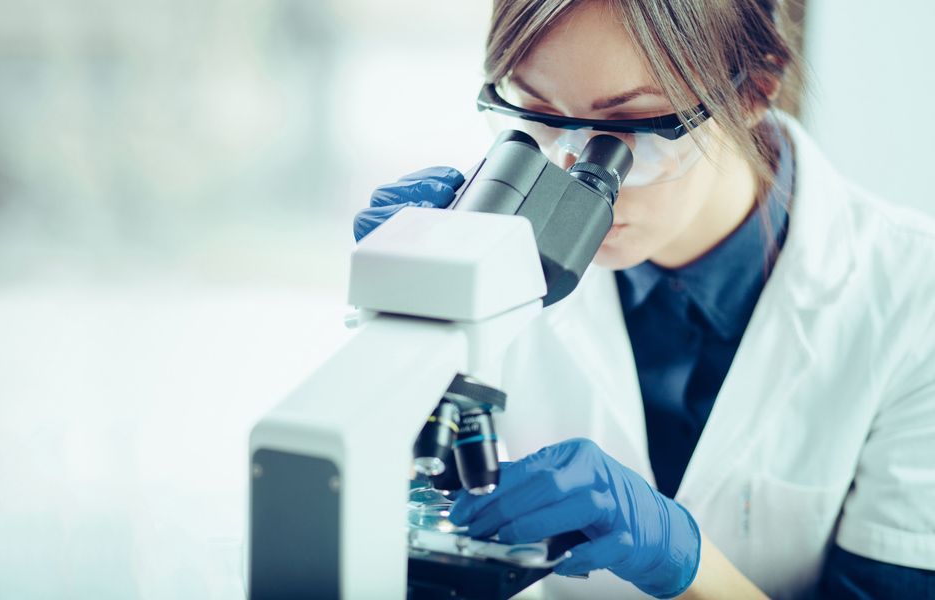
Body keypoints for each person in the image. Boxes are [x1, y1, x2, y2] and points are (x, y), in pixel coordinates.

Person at [354, 1, 935, 598]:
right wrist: (399, 320)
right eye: (536, 114)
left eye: (632, 126)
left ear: (754, 89)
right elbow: (395, 503)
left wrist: (687, 563)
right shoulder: (492, 245)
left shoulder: (914, 298)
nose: (571, 169)